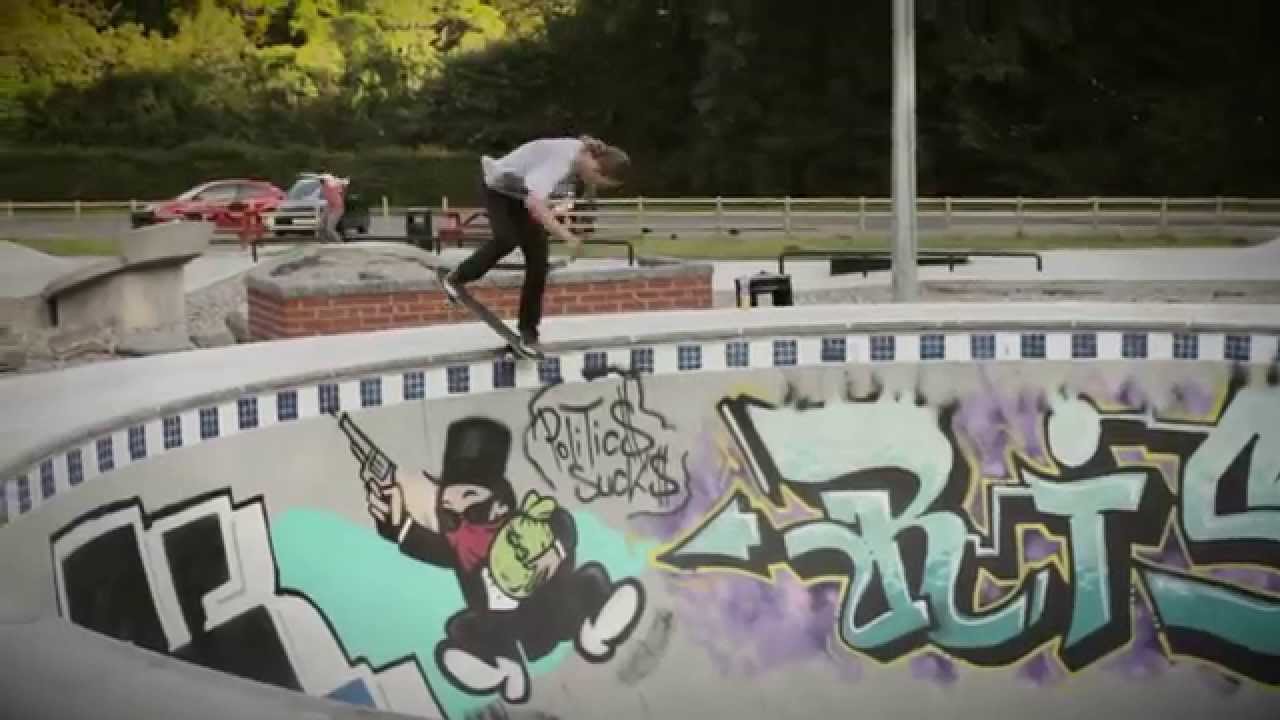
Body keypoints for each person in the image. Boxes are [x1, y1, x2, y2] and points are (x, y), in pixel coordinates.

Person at [441, 135, 630, 352]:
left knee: (539, 261)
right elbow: (535, 205)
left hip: (519, 195)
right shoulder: (561, 160)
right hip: (495, 188)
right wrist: (565, 235)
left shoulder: (580, 155)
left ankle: (529, 332)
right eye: (595, 178)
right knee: (506, 239)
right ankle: (456, 278)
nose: (590, 182)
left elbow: (536, 197)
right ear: (594, 162)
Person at [318, 173, 348, 243]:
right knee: (320, 226)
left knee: (330, 228)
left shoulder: (332, 186)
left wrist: (342, 182)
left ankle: (340, 242)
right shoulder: (323, 188)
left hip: (337, 207)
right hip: (329, 206)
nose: (321, 182)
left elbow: (341, 184)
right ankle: (324, 241)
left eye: (322, 181)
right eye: (321, 181)